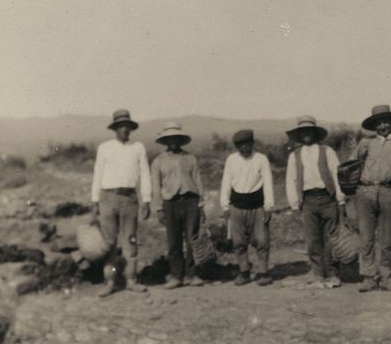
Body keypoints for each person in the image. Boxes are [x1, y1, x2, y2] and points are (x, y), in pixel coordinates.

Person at [352, 105, 391, 293]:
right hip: (365, 192)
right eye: (378, 123)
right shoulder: (366, 142)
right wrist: (351, 188)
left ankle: (386, 276)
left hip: (388, 192)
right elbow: (351, 165)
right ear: (374, 126)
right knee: (366, 238)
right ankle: (368, 277)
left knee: (387, 239)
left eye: (386, 122)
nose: (382, 126)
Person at [91, 109, 151, 297]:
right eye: (120, 126)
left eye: (127, 126)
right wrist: (94, 200)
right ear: (115, 128)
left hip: (129, 198)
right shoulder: (105, 148)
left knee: (130, 239)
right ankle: (110, 281)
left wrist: (146, 199)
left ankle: (131, 279)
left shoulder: (138, 147)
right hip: (108, 198)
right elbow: (97, 173)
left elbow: (145, 173)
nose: (124, 129)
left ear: (131, 128)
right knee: (109, 241)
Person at [285, 116, 346, 287]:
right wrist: (294, 204)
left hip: (328, 199)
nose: (306, 134)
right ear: (299, 134)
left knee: (332, 239)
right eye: (303, 131)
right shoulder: (294, 156)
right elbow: (291, 180)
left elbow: (337, 174)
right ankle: (318, 273)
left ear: (315, 132)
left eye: (309, 131)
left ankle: (333, 273)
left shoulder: (327, 151)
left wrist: (340, 199)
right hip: (308, 201)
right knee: (313, 240)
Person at [150, 122, 206, 289]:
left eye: (176, 137)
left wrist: (201, 204)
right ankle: (176, 276)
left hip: (191, 202)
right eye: (169, 138)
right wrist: (158, 208)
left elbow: (198, 181)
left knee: (192, 239)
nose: (173, 141)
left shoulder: (190, 158)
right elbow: (156, 187)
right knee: (173, 241)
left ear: (181, 139)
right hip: (170, 204)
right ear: (165, 141)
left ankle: (192, 274)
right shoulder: (158, 161)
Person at [219, 129, 275, 286]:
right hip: (237, 206)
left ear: (252, 143)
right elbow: (226, 182)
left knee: (262, 240)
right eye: (240, 145)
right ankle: (244, 272)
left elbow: (268, 182)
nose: (244, 148)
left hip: (257, 206)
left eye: (247, 144)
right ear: (237, 146)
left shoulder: (261, 159)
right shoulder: (231, 160)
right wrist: (225, 206)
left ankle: (263, 272)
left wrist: (268, 206)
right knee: (238, 242)